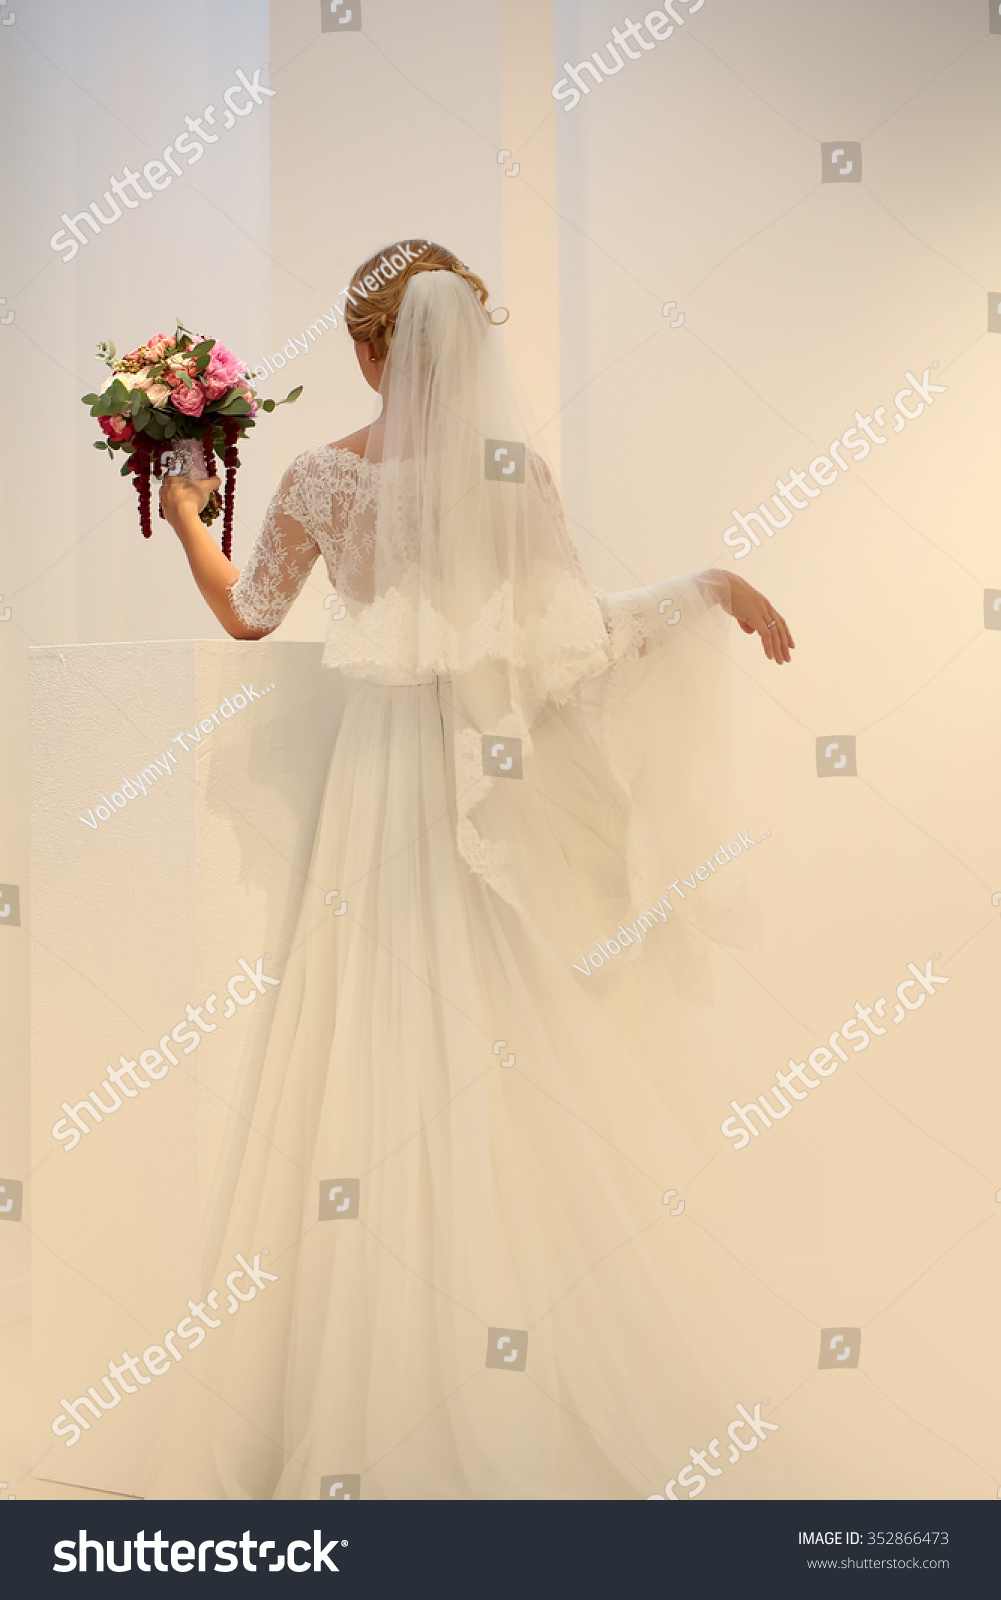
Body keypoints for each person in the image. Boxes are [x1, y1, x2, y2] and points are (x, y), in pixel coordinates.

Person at [152, 240, 794, 1499]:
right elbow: (583, 640)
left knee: (365, 1053)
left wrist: (183, 505)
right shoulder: (515, 473)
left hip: (380, 800)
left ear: (367, 348)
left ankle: (362, 1384)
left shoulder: (322, 477)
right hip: (484, 797)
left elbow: (248, 613)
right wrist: (704, 585)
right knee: (505, 1054)